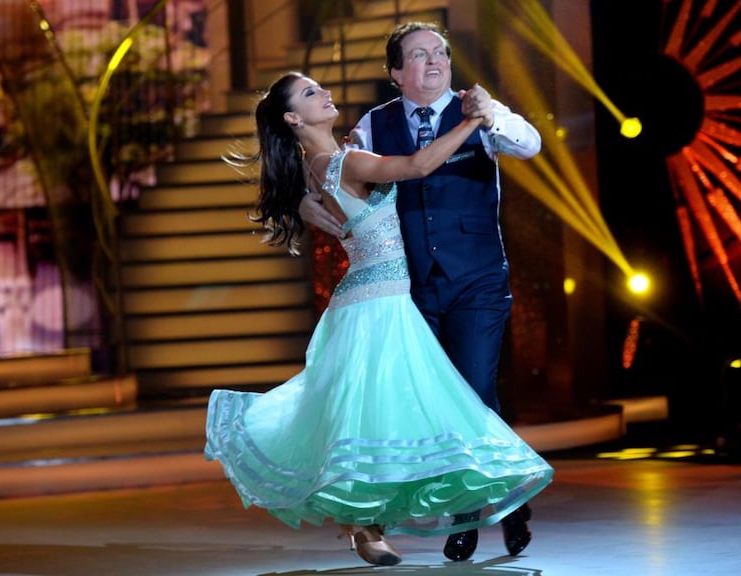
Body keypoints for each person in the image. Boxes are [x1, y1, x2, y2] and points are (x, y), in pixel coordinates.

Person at [204, 71, 553, 568]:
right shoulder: (344, 160)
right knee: (388, 416)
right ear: (292, 118)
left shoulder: (315, 165)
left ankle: (364, 528)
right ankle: (369, 526)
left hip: (370, 301)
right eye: (310, 93)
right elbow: (417, 165)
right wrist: (473, 119)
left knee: (372, 418)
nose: (325, 93)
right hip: (377, 307)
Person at [298, 22, 542, 561]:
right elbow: (331, 168)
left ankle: (470, 514)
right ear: (395, 74)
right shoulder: (373, 124)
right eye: (418, 55)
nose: (433, 63)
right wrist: (303, 201)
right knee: (434, 402)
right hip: (410, 287)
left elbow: (529, 144)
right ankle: (502, 497)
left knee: (474, 390)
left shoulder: (476, 107)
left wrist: (492, 113)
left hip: (477, 278)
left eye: (441, 54)